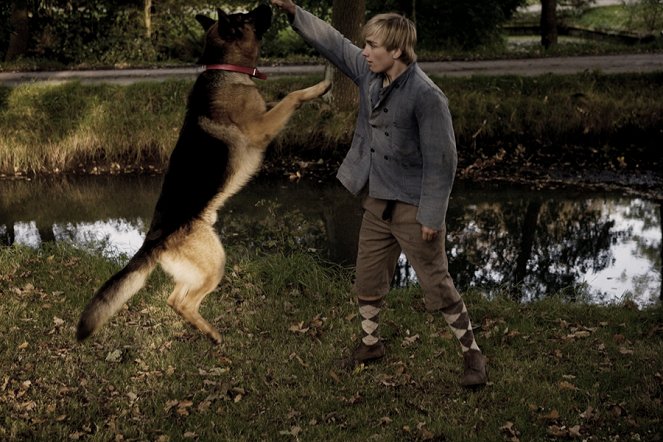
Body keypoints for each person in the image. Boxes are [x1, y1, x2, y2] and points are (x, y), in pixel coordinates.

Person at [270, 0, 487, 387]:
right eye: (365, 45)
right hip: (376, 201)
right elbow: (334, 43)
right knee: (367, 280)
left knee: (437, 284)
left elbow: (442, 162)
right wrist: (293, 12)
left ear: (397, 51)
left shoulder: (427, 96)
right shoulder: (369, 74)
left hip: (414, 208)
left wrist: (431, 217)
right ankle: (371, 345)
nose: (365, 52)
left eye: (372, 46)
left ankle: (472, 354)